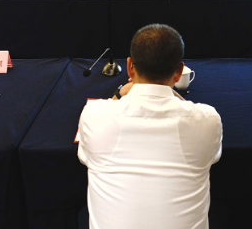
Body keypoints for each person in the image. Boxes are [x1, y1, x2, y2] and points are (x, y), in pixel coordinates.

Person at [78, 24, 222, 229]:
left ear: (130, 66)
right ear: (179, 72)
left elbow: (86, 156)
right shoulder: (208, 120)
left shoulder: (94, 115)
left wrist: (119, 93)